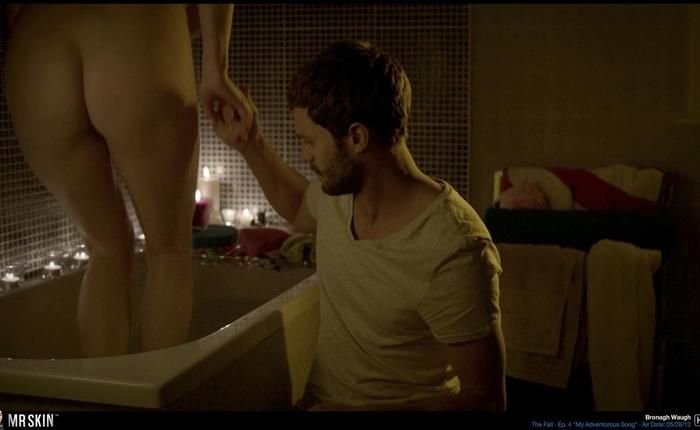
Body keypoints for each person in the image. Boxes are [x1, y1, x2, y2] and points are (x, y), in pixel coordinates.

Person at [213, 40, 506, 411]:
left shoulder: (454, 248)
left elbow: (485, 401)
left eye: (308, 142)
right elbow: (299, 205)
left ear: (356, 137)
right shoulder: (339, 194)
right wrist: (250, 142)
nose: (304, 155)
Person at [2, 4, 252, 357]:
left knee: (105, 250)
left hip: (36, 44)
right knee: (168, 252)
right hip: (132, 23)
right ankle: (153, 389)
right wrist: (216, 69)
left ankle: (101, 387)